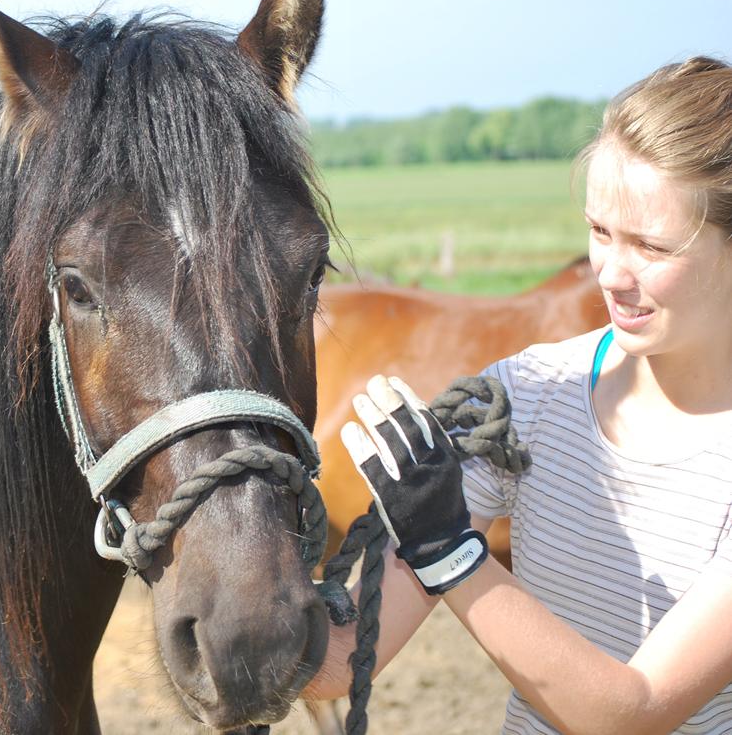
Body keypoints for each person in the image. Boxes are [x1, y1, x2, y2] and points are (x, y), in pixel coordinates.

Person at [304, 56, 732, 735]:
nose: (612, 275)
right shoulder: (524, 396)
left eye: (651, 245)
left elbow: (633, 711)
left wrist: (448, 551)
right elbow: (337, 667)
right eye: (598, 232)